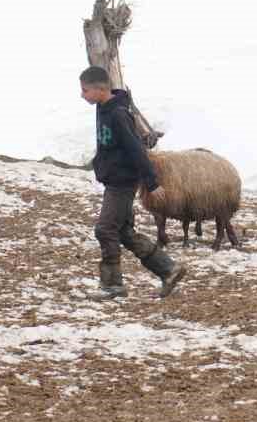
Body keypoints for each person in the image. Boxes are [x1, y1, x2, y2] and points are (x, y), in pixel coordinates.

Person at [79, 66, 186, 299]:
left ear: (100, 89)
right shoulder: (102, 107)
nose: (82, 95)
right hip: (113, 179)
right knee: (124, 232)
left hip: (122, 183)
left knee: (105, 229)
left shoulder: (119, 114)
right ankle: (169, 269)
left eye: (85, 90)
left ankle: (112, 285)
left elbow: (136, 149)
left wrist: (152, 183)